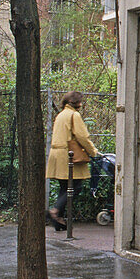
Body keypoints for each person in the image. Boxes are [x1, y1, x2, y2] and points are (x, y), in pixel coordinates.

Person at [46, 91, 99, 230]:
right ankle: (56, 211)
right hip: (68, 155)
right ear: (77, 103)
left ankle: (58, 221)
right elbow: (82, 137)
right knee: (75, 187)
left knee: (64, 186)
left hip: (56, 154)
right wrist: (93, 151)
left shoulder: (61, 115)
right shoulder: (74, 115)